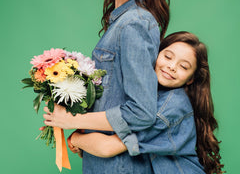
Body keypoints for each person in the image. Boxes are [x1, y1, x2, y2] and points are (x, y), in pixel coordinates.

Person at [43, 0, 170, 173]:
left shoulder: (135, 24)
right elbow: (115, 96)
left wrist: (73, 122)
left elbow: (142, 112)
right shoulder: (122, 21)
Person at [67, 31, 225, 174]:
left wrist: (76, 138)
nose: (171, 66)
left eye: (183, 66)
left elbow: (108, 147)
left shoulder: (170, 106)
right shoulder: (148, 96)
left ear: (191, 79)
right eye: (168, 57)